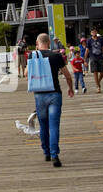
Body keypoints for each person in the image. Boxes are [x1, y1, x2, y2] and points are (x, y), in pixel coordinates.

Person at [27, 31, 74, 166]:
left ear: (37, 43)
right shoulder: (56, 56)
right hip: (54, 94)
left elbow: (26, 74)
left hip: (39, 94)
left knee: (43, 125)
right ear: (49, 42)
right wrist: (70, 88)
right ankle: (55, 155)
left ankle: (46, 152)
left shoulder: (32, 56)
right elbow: (67, 75)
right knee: (54, 126)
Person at [86, 27, 103, 92]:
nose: (94, 33)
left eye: (95, 32)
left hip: (100, 57)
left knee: (102, 72)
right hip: (92, 57)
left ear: (96, 32)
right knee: (95, 72)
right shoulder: (89, 40)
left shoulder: (100, 39)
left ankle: (98, 81)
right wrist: (85, 59)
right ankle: (98, 87)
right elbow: (87, 50)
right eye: (92, 32)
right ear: (91, 33)